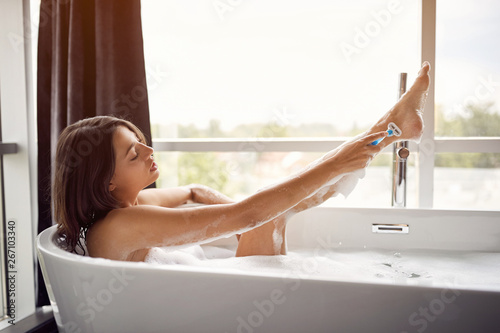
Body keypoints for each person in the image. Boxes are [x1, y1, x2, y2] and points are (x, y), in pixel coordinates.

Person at [53, 62, 430, 262]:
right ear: (106, 182)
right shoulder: (122, 223)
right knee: (269, 211)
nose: (150, 153)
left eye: (143, 143)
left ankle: (389, 129)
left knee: (273, 210)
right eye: (134, 154)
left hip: (200, 295)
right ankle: (388, 130)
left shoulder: (129, 205)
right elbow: (250, 216)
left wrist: (240, 228)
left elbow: (196, 191)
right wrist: (244, 225)